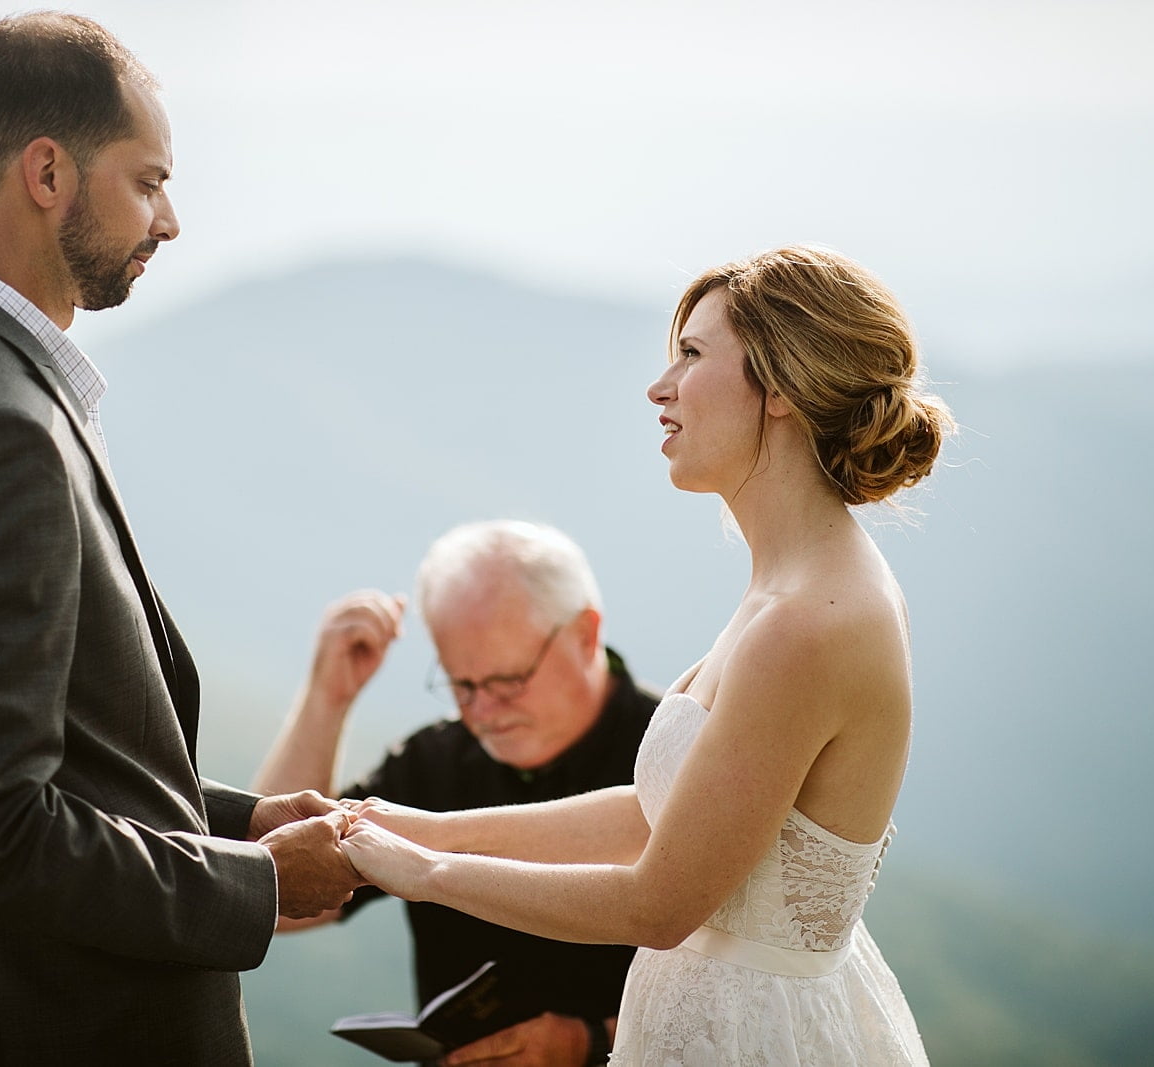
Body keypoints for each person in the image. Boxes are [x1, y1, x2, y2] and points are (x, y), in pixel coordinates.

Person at [0, 14, 359, 1065]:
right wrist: (260, 882)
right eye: (148, 182)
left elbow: (36, 759)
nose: (170, 220)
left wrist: (232, 819)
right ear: (47, 172)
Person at [340, 245, 948, 1064]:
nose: (660, 387)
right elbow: (658, 813)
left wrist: (424, 872)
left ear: (780, 388)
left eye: (692, 354)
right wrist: (434, 830)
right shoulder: (793, 583)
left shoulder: (808, 622)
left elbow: (657, 903)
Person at [253, 520, 659, 1065]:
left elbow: (748, 981)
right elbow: (276, 897)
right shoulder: (433, 761)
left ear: (585, 634)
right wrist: (328, 696)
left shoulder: (676, 756)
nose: (484, 711)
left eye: (508, 680)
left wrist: (588, 1042)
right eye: (462, 686)